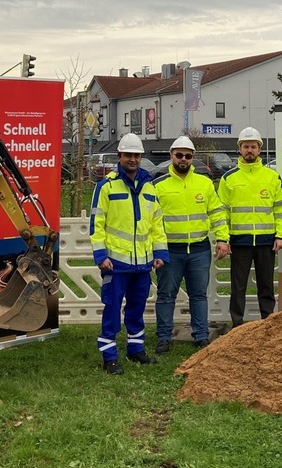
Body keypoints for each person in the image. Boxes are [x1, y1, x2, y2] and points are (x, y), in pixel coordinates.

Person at [89, 132, 167, 374]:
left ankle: (136, 350)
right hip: (116, 263)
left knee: (137, 306)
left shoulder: (150, 188)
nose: (132, 159)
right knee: (112, 309)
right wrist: (101, 256)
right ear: (119, 156)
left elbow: (157, 225)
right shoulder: (106, 187)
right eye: (128, 155)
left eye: (136, 155)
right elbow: (96, 224)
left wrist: (160, 253)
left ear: (141, 157)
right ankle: (109, 357)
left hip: (143, 264)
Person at [152, 136, 230, 352]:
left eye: (188, 156)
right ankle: (163, 337)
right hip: (169, 251)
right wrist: (154, 248)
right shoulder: (158, 185)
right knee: (166, 295)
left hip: (199, 249)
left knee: (199, 295)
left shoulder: (205, 183)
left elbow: (217, 214)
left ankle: (201, 335)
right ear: (171, 156)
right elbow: (151, 220)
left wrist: (222, 239)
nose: (183, 159)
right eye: (179, 155)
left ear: (192, 158)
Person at [217, 126, 282, 327]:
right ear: (239, 149)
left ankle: (268, 323)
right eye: (246, 146)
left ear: (259, 149)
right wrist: (223, 238)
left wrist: (280, 235)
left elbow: (281, 208)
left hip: (266, 241)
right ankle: (237, 325)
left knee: (266, 285)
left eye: (253, 146)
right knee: (238, 286)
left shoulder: (272, 176)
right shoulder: (229, 178)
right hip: (240, 242)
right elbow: (222, 211)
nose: (250, 150)